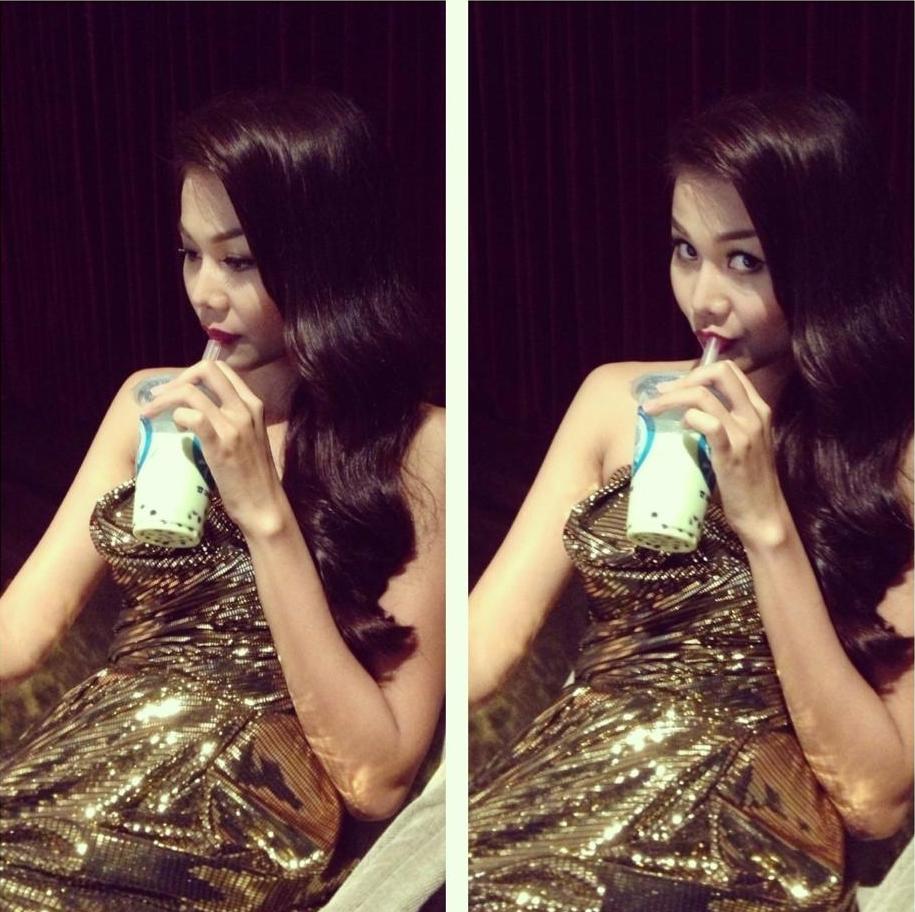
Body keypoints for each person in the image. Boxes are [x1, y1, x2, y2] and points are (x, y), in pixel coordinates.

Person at [0, 87, 445, 911]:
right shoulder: (151, 403)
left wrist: (263, 513)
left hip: (227, 826)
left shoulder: (417, 446)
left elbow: (376, 778)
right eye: (189, 255)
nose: (205, 292)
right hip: (71, 783)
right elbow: (22, 631)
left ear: (324, 257)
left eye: (238, 261)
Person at [468, 90, 913, 911]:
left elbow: (872, 798)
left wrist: (765, 524)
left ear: (827, 261)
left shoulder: (892, 458)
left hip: (739, 848)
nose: (704, 298)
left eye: (744, 261)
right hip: (556, 807)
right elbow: (483, 648)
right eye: (685, 251)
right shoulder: (618, 399)